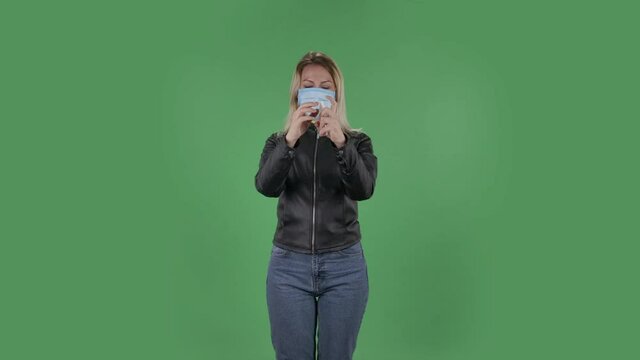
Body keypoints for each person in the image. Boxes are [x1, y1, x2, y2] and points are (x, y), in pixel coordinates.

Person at [255, 50, 378, 360]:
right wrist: (290, 140)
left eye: (325, 86)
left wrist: (341, 144)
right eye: (308, 84)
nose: (317, 92)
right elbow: (265, 186)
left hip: (344, 266)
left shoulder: (358, 142)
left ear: (336, 95)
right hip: (288, 267)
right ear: (297, 93)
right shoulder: (277, 141)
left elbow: (364, 189)